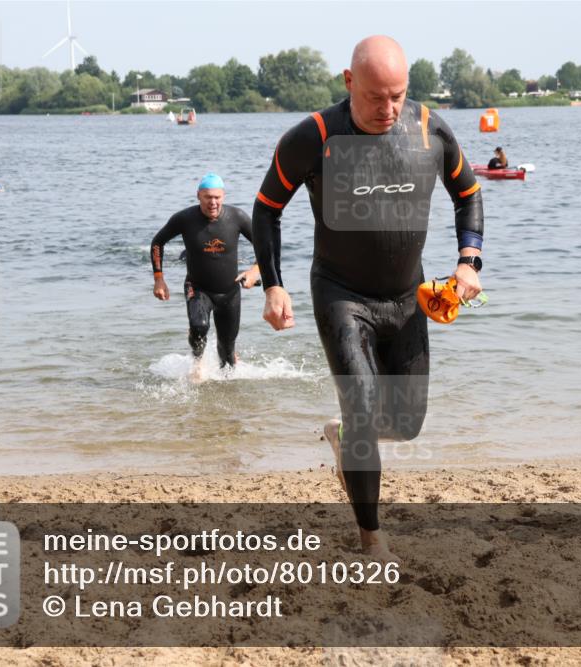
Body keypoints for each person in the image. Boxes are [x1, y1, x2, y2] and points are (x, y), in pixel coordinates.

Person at [251, 35, 484, 559]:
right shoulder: (313, 137)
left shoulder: (430, 129)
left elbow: (467, 194)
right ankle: (371, 537)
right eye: (376, 96)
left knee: (406, 424)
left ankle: (343, 435)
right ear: (349, 82)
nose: (389, 108)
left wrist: (469, 262)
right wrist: (273, 283)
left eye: (397, 95)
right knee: (361, 406)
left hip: (407, 296)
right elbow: (267, 208)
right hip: (341, 294)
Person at [150, 173, 260, 380]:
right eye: (208, 197)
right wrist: (159, 278)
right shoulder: (184, 219)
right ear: (198, 196)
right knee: (199, 326)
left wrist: (255, 270)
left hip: (230, 291)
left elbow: (265, 246)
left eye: (217, 197)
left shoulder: (237, 217)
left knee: (227, 358)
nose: (213, 202)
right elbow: (158, 242)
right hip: (198, 287)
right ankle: (197, 361)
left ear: (224, 196)